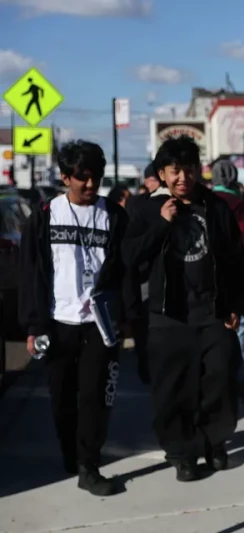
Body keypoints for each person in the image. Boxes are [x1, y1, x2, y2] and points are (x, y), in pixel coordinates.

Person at [122, 136, 244, 481]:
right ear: (162, 173)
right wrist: (161, 225)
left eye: (189, 169)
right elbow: (130, 259)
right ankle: (182, 453)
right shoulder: (145, 209)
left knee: (219, 382)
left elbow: (237, 260)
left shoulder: (216, 207)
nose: (183, 177)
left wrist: (235, 304)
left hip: (213, 314)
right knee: (172, 392)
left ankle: (214, 443)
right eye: (175, 171)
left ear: (199, 170)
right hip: (167, 317)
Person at [18, 140, 132, 496]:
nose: (90, 184)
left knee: (95, 398)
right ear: (65, 177)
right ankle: (72, 453)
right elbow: (30, 273)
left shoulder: (114, 215)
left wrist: (126, 317)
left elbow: (125, 270)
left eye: (95, 176)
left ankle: (89, 464)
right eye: (81, 177)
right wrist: (35, 326)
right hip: (58, 324)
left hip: (100, 325)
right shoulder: (45, 215)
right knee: (62, 399)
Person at [211, 160, 244, 393]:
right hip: (237, 275)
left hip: (209, 276)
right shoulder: (239, 206)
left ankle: (218, 378)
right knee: (239, 328)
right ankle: (237, 377)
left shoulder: (205, 200)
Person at [124, 162, 168, 385]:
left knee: (144, 326)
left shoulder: (138, 204)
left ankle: (146, 366)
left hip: (143, 276)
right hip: (149, 276)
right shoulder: (142, 204)